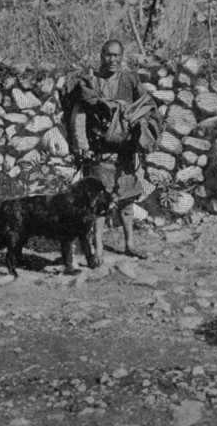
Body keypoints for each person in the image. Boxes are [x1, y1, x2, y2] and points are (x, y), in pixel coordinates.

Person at [71, 39, 159, 265]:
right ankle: (98, 251)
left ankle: (130, 245)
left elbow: (147, 107)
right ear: (101, 56)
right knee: (99, 205)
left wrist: (141, 130)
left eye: (117, 55)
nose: (113, 60)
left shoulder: (130, 81)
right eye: (108, 55)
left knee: (126, 202)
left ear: (122, 57)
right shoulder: (91, 83)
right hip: (100, 155)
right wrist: (83, 147)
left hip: (124, 153)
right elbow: (79, 116)